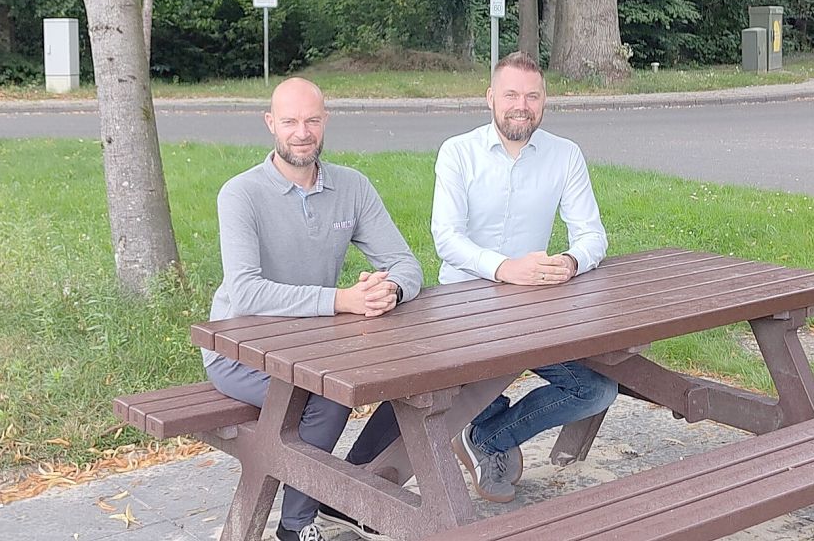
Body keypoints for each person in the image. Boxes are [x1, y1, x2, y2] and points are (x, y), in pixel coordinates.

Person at [202, 77, 421, 541]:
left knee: (416, 377)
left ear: (325, 122)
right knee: (326, 394)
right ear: (270, 125)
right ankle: (298, 523)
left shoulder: (352, 186)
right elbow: (245, 293)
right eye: (290, 122)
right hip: (237, 350)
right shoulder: (239, 194)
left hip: (315, 344)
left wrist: (391, 291)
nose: (302, 132)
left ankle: (346, 490)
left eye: (312, 120)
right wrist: (342, 301)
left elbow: (405, 263)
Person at [430, 51, 618, 504]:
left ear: (544, 101)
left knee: (596, 389)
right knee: (482, 385)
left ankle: (489, 437)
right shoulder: (458, 152)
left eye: (532, 96)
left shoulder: (565, 154)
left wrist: (571, 262)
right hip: (465, 307)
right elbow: (446, 238)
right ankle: (485, 427)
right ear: (490, 97)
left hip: (535, 306)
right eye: (511, 94)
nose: (522, 105)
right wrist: (502, 268)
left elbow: (592, 234)